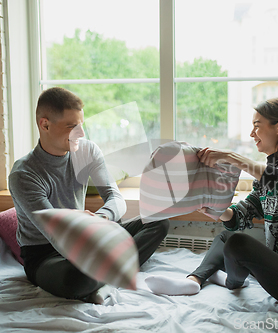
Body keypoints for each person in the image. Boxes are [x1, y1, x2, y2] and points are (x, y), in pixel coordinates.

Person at [145, 97, 278, 308]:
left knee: (238, 244)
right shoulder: (270, 170)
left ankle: (231, 281)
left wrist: (233, 157)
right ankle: (194, 281)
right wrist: (215, 210)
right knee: (227, 237)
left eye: (257, 126)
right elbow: (241, 216)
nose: (252, 134)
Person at [9, 87, 169, 304]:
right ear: (44, 124)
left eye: (81, 125)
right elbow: (57, 235)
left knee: (158, 221)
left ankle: (106, 279)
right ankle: (110, 275)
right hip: (47, 255)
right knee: (76, 279)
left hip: (92, 237)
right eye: (72, 126)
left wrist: (101, 219)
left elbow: (115, 198)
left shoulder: (87, 151)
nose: (81, 134)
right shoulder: (24, 174)